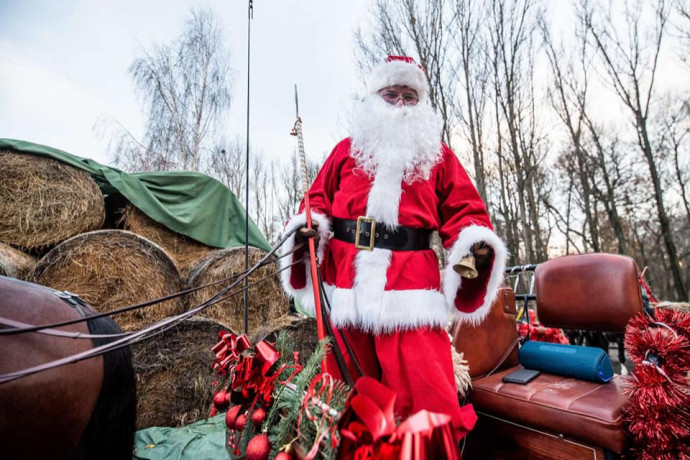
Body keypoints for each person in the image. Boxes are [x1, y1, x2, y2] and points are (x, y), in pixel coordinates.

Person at [279, 55, 507, 439]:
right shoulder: (345, 152)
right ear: (374, 99)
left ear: (421, 105)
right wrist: (308, 229)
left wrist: (474, 253)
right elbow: (315, 201)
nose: (400, 103)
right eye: (391, 94)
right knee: (344, 399)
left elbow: (468, 214)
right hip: (346, 289)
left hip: (411, 294)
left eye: (409, 96)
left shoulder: (438, 157)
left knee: (427, 401)